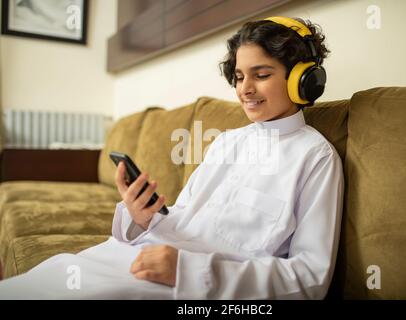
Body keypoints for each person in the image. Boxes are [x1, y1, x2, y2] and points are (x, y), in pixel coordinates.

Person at [0, 16, 344, 299]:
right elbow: (183, 217)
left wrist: (189, 272)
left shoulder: (316, 158)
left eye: (262, 75)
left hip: (197, 292)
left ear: (303, 80)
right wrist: (141, 217)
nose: (245, 90)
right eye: (239, 77)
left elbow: (309, 277)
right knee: (42, 281)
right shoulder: (226, 143)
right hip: (141, 256)